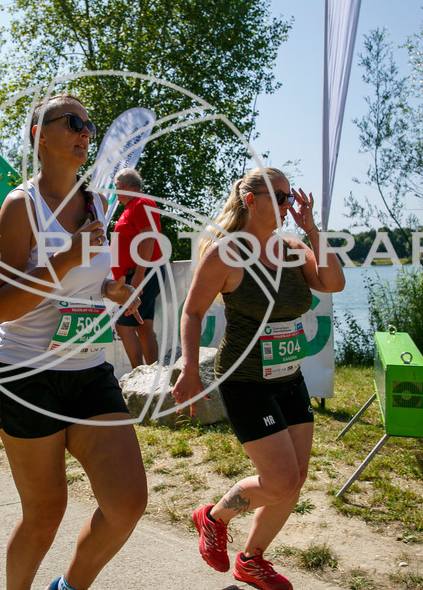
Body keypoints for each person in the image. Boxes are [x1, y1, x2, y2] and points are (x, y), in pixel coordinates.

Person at [0, 94, 147, 590]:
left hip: (88, 368)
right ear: (40, 135)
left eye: (89, 124)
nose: (85, 132)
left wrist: (114, 293)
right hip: (25, 373)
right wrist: (67, 257)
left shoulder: (98, 203)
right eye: (73, 122)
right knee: (45, 513)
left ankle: (70, 588)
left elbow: (91, 281)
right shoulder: (21, 205)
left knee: (127, 502)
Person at [173, 167, 345, 590]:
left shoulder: (293, 247)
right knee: (281, 480)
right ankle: (214, 518)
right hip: (245, 381)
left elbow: (334, 282)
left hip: (289, 378)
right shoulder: (225, 254)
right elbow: (192, 312)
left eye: (292, 197)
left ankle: (251, 559)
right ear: (252, 200)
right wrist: (189, 370)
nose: (290, 204)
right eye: (282, 197)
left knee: (296, 479)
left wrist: (312, 229)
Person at [111, 168, 163, 368]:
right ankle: (151, 376)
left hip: (143, 272)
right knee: (143, 326)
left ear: (123, 186)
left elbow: (148, 238)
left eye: (116, 188)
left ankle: (139, 374)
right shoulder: (135, 205)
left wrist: (139, 275)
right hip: (143, 272)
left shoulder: (140, 203)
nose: (115, 193)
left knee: (123, 325)